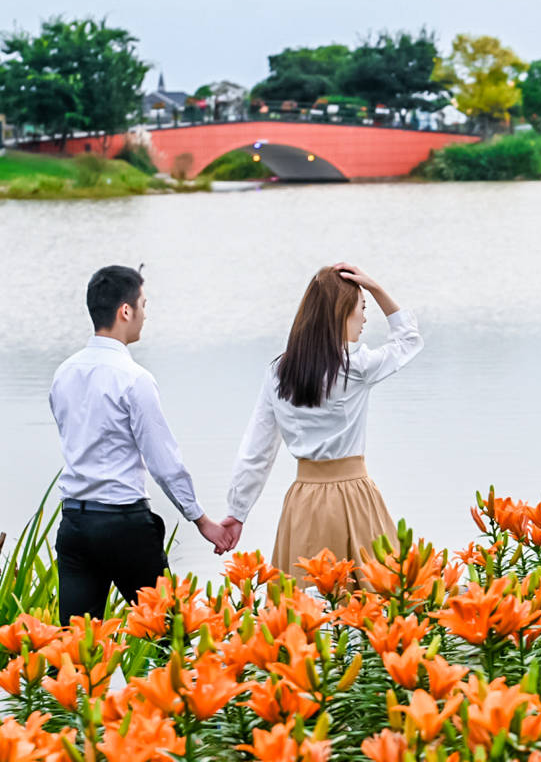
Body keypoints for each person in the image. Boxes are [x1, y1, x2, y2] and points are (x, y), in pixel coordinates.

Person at [50, 265, 232, 625]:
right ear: (126, 311)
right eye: (144, 305)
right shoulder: (135, 379)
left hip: (75, 525)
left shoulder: (64, 373)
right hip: (124, 526)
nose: (146, 315)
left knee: (75, 648)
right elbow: (164, 463)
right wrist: (202, 520)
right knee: (166, 636)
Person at [221, 263, 423, 586]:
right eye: (362, 308)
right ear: (343, 312)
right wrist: (375, 287)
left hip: (303, 501)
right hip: (355, 498)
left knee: (306, 606)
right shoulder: (355, 368)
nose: (365, 318)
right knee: (373, 601)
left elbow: (257, 449)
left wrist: (237, 511)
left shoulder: (279, 372)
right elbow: (408, 339)